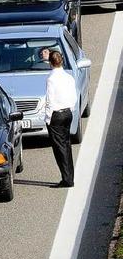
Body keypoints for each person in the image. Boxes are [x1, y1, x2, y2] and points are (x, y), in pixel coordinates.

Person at [45, 51, 77, 188]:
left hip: (56, 115)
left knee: (59, 148)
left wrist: (47, 118)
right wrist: (71, 109)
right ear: (62, 62)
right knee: (66, 144)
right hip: (68, 112)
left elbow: (49, 100)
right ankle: (70, 176)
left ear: (50, 63)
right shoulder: (69, 77)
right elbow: (74, 96)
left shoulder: (51, 79)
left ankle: (66, 179)